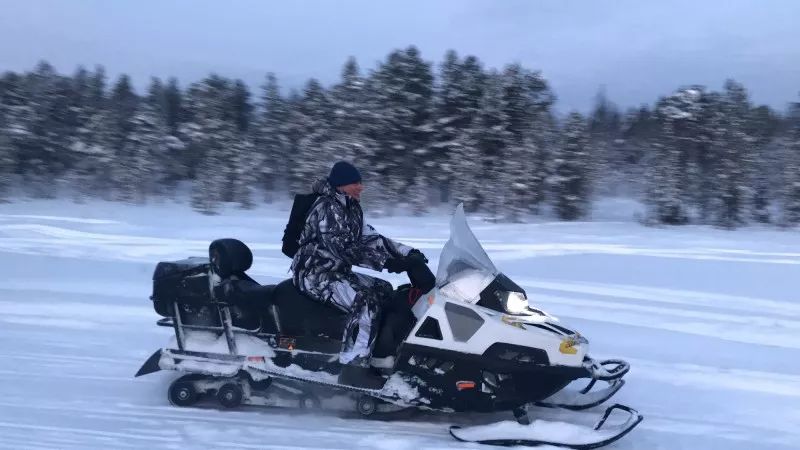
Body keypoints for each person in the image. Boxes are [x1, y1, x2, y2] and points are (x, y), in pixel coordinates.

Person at [291, 161, 425, 389]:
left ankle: (383, 353)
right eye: (356, 183)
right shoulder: (326, 207)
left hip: (336, 272)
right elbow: (343, 249)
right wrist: (389, 262)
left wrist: (408, 253)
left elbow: (370, 237)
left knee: (384, 289)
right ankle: (354, 367)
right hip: (315, 275)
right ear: (341, 185)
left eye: (360, 182)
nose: (361, 187)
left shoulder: (350, 207)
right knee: (366, 301)